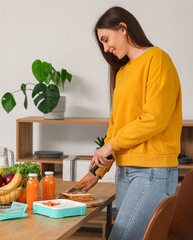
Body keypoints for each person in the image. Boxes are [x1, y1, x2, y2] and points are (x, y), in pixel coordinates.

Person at [68, 6, 182, 240]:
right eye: (102, 43)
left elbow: (155, 119)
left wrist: (111, 146)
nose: (106, 47)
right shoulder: (122, 72)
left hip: (153, 170)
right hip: (126, 171)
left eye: (106, 39)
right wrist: (97, 171)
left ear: (123, 27)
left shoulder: (157, 60)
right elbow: (117, 126)